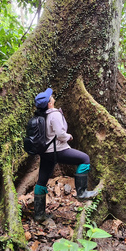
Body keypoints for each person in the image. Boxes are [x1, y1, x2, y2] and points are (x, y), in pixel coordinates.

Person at [33, 88, 98, 222]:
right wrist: (69, 136)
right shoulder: (54, 114)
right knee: (84, 159)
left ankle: (39, 214)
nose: (53, 97)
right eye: (51, 97)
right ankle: (82, 193)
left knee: (41, 181)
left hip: (45, 152)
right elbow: (60, 134)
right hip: (58, 150)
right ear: (49, 103)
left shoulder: (39, 116)